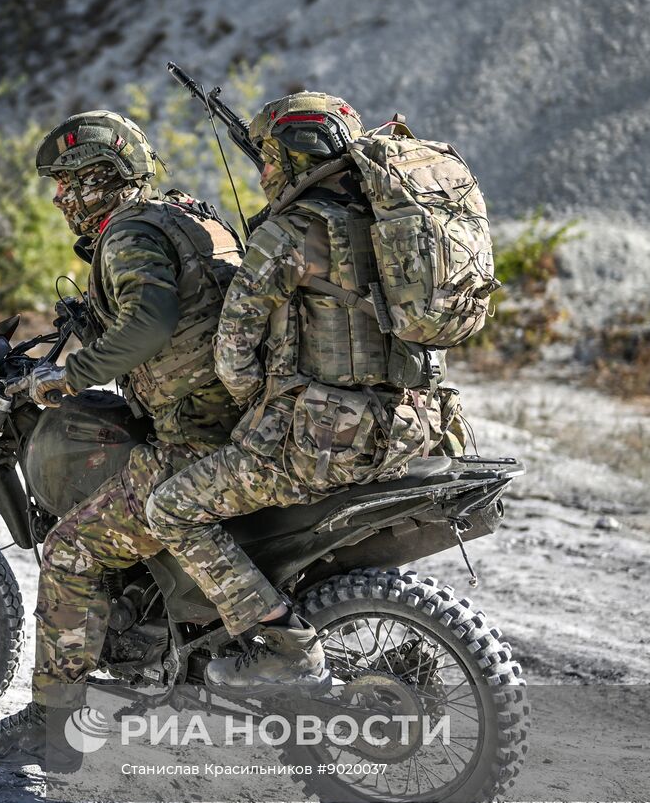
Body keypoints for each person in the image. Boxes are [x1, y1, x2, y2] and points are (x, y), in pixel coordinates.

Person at [0, 111, 244, 770]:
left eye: (68, 182)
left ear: (104, 180)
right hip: (234, 418)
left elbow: (150, 322)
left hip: (197, 436)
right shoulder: (188, 214)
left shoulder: (127, 235)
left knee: (70, 548)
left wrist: (69, 376)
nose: (60, 198)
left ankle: (51, 728)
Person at [144, 92, 448, 695]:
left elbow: (232, 349)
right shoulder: (399, 223)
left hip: (321, 443)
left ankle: (284, 644)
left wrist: (259, 403)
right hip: (414, 427)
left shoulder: (288, 232)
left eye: (267, 156)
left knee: (171, 509)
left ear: (287, 157)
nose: (261, 171)